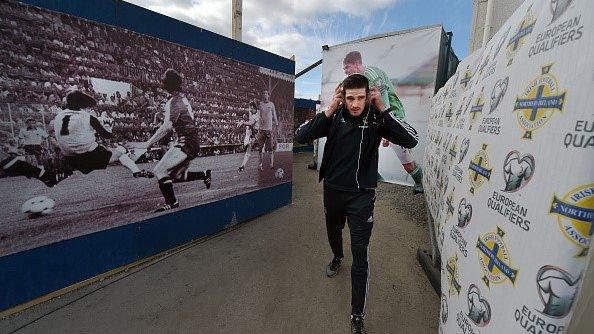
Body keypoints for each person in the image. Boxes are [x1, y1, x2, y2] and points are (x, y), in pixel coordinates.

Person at [295, 74, 418, 333]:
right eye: (350, 98)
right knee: (334, 233)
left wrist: (383, 109)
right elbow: (301, 135)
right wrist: (328, 110)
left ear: (368, 96)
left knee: (361, 254)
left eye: (360, 98)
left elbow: (411, 139)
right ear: (343, 97)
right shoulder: (335, 116)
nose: (355, 104)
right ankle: (338, 255)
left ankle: (357, 314)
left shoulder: (376, 117)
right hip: (333, 193)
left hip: (362, 197)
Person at [128, 69, 211, 213]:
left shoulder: (174, 102)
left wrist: (146, 144)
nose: (161, 81)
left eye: (164, 79)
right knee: (175, 176)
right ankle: (204, 174)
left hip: (187, 142)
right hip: (190, 141)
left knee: (159, 170)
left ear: (168, 84)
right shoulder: (182, 98)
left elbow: (167, 126)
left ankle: (172, 203)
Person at [343, 51, 424, 194]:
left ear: (356, 64)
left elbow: (383, 100)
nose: (345, 72)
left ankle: (419, 182)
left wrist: (386, 128)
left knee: (407, 162)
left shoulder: (373, 75)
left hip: (392, 117)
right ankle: (373, 176)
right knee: (362, 145)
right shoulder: (358, 81)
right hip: (375, 119)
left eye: (347, 67)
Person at [53, 90, 154, 181]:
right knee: (120, 151)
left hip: (68, 156)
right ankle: (133, 165)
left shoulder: (58, 116)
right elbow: (107, 135)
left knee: (105, 149)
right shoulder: (88, 117)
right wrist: (108, 126)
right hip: (87, 155)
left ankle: (136, 171)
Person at [257, 90, 279, 171]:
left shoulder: (271, 104)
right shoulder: (260, 104)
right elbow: (257, 114)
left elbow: (274, 115)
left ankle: (271, 164)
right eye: (263, 93)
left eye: (266, 93)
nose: (265, 95)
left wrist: (276, 125)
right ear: (262, 95)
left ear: (268, 95)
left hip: (269, 130)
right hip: (261, 130)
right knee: (260, 149)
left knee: (270, 149)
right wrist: (259, 119)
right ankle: (260, 165)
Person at [237, 100, 260, 172]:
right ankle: (242, 165)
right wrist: (243, 119)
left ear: (255, 108)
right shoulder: (251, 111)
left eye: (252, 108)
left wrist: (243, 122)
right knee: (248, 147)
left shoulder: (257, 114)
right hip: (251, 129)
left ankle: (246, 144)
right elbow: (248, 122)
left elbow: (251, 123)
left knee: (250, 146)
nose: (250, 110)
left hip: (256, 131)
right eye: (250, 108)